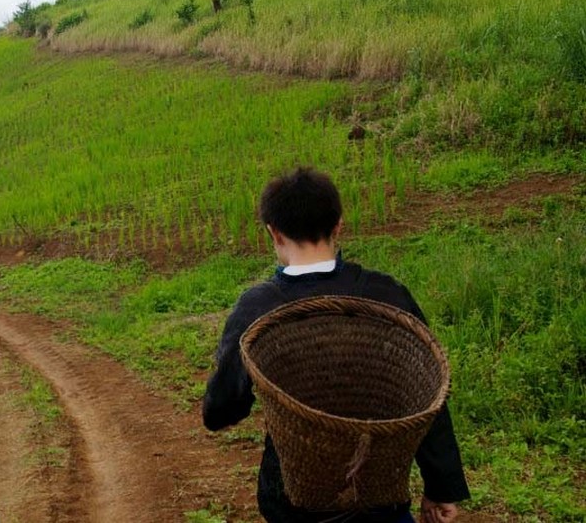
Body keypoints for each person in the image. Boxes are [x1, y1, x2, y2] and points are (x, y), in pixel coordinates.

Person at [201, 168, 470, 523]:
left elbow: (222, 410)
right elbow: (427, 391)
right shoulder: (387, 295)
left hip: (294, 504)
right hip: (380, 498)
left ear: (274, 232)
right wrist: (442, 486)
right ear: (339, 224)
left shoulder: (257, 307)